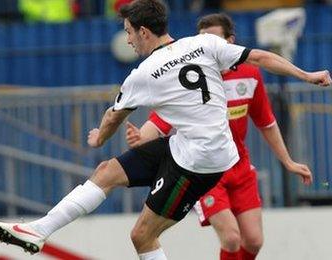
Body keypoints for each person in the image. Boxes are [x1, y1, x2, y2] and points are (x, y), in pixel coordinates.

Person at [0, 0, 331, 258]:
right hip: (190, 147)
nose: (129, 41)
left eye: (128, 33)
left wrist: (98, 137)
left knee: (142, 236)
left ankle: (41, 229)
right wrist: (307, 75)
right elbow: (260, 58)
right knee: (107, 171)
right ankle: (38, 229)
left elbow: (113, 116)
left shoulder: (145, 73)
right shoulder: (203, 44)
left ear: (144, 31)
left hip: (198, 164)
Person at [124, 13, 312, 260]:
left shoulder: (250, 75)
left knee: (254, 241)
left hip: (239, 165)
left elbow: (266, 122)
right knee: (232, 238)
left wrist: (288, 161)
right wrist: (142, 136)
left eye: (212, 39)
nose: (206, 47)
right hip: (205, 170)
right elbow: (161, 121)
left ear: (229, 42)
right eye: (201, 40)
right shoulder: (189, 75)